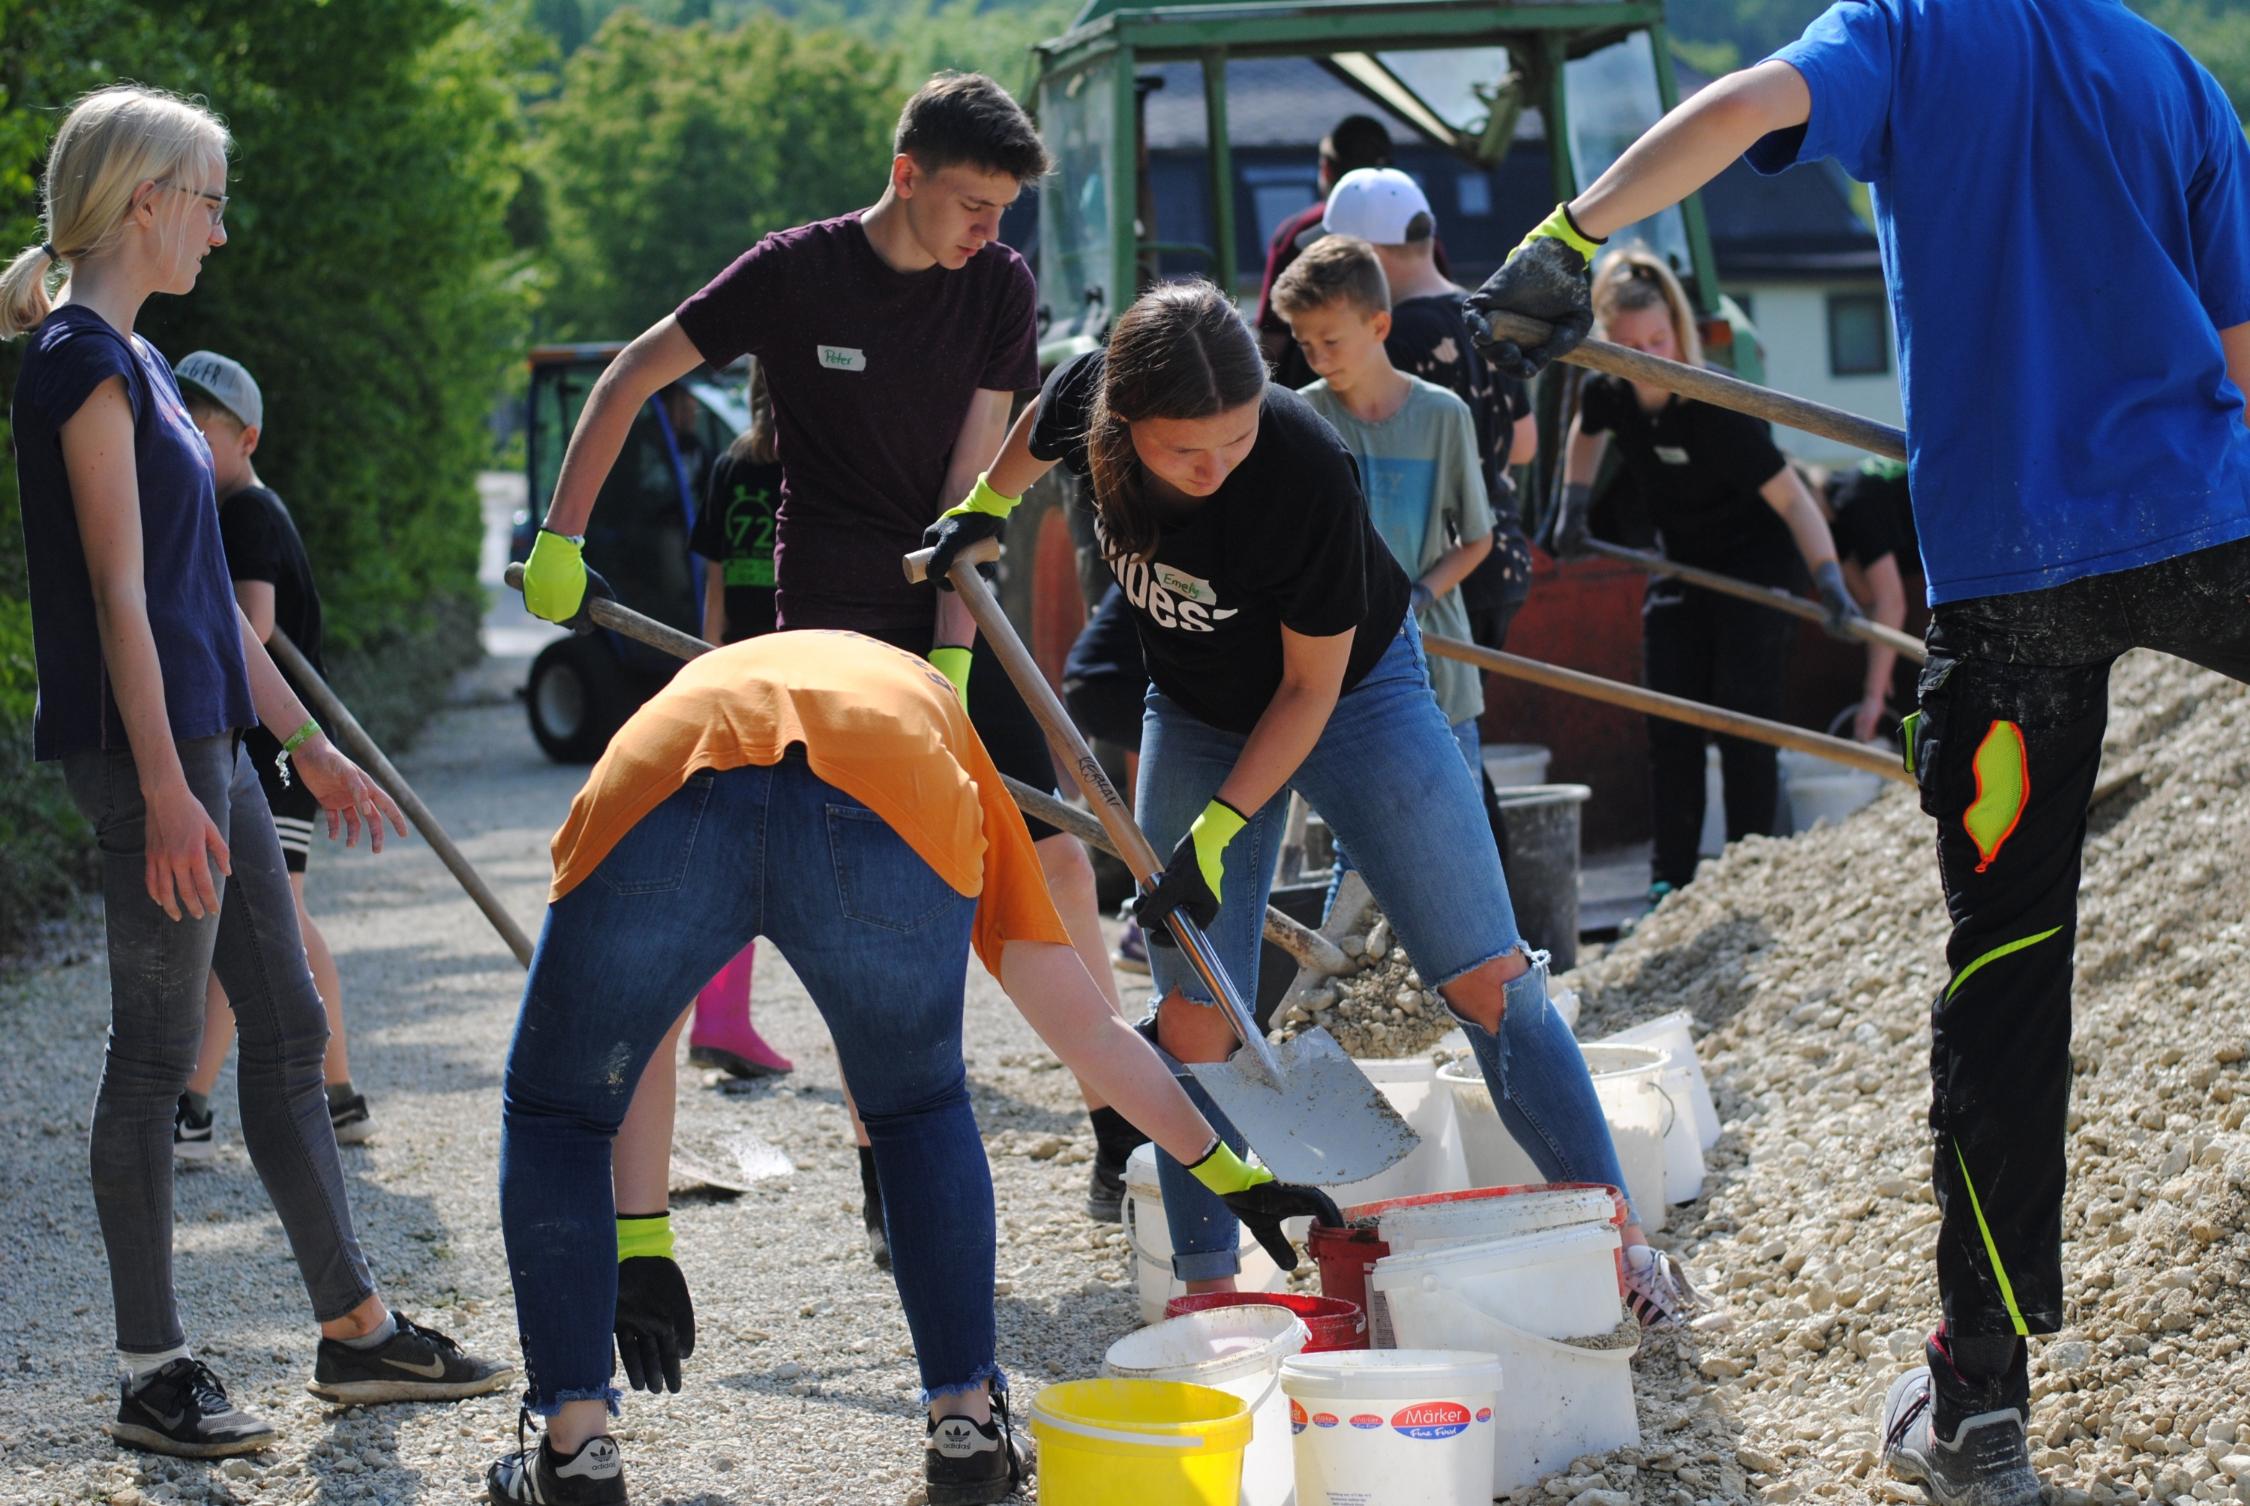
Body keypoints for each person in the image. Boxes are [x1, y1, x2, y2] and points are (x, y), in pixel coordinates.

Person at [1462, 3, 2250, 1498]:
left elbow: (1745, 106)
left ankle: (1979, 1404)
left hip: (2015, 584)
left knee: (2006, 975)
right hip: (2211, 529)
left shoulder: (1906, 30)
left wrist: (1573, 230)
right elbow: (2243, 346)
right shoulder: (2166, 72)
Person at [924, 279, 1702, 1326]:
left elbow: (1309, 691)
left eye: (1233, 440)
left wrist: (1213, 831)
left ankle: (1624, 1242)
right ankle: (1207, 1293)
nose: (1215, 469)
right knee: (1197, 1016)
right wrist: (983, 507)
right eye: (1185, 451)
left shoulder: (1298, 466)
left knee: (1484, 977)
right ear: (1125, 424)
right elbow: (1033, 432)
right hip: (1197, 712)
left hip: (1354, 697)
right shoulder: (1092, 397)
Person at [485, 631, 1339, 1506]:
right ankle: (966, 1432)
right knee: (916, 1107)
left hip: (668, 771)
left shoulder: (699, 689)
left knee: (558, 1111)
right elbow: (1087, 1030)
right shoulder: (943, 733)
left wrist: (641, 1239)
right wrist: (1234, 1172)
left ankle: (575, 1452)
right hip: (886, 793)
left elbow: (637, 1043)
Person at [517, 71, 1151, 1223]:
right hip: (827, 622)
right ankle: (882, 1162)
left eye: (1004, 210)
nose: (989, 231)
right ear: (906, 176)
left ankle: (1119, 1127)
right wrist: (559, 534)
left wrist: (954, 655)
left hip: (963, 603)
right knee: (872, 892)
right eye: (971, 204)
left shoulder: (997, 286)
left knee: (1057, 851)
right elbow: (628, 376)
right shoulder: (794, 272)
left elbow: (974, 488)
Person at [0, 84, 509, 1459]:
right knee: (155, 1056)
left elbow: (209, 601)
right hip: (143, 754)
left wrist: (306, 742)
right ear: (147, 198)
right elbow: (116, 598)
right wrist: (166, 785)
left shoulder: (151, 367)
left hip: (216, 743)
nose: (221, 233)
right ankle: (149, 1369)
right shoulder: (75, 364)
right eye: (211, 203)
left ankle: (355, 1331)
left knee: (284, 1029)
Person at [1554, 249, 1861, 902]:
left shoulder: (1715, 402)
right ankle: (1672, 880)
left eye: (1659, 340)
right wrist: (1572, 506)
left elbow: (1793, 500)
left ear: (1679, 333)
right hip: (1681, 560)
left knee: (1745, 719)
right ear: (1610, 342)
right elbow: (1586, 433)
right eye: (1631, 344)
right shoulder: (1609, 389)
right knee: (1671, 718)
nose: (1648, 356)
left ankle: (1752, 872)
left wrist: (1828, 579)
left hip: (1758, 559)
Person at [165, 351, 374, 1159]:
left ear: (246, 436)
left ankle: (198, 1102)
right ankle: (334, 1095)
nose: (185, 432)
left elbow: (252, 627)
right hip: (261, 747)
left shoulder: (248, 512)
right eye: (176, 417)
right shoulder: (219, 509)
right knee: (264, 917)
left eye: (202, 424)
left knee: (265, 917)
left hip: (282, 748)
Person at [1273, 233, 1492, 773]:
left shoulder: (1444, 415)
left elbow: (1477, 539)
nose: (1318, 359)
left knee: (1458, 840)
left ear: (1379, 326)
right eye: (1305, 346)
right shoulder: (1299, 418)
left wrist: (1417, 595)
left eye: (1331, 341)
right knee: (1362, 852)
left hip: (1438, 665)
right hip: (1345, 674)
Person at [1322, 166, 1538, 651]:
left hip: (1433, 575)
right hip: (1501, 560)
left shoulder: (1389, 338)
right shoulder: (1487, 320)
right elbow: (1523, 446)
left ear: (1368, 255)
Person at [679, 359, 793, 1081]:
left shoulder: (730, 463)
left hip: (741, 670)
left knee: (740, 840)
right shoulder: (809, 467)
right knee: (760, 848)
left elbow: (715, 585)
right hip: (791, 676)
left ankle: (721, 1018)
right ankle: (721, 1018)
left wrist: (704, 666)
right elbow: (719, 574)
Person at [1252, 114, 1396, 390]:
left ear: (1326, 170)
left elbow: (1274, 337)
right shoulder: (1418, 231)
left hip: (1312, 393)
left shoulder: (1297, 234)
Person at [1810, 461, 1910, 743]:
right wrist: (1880, 663)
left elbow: (1890, 603)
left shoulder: (1854, 498)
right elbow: (1867, 599)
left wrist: (1873, 696)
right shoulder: (1833, 521)